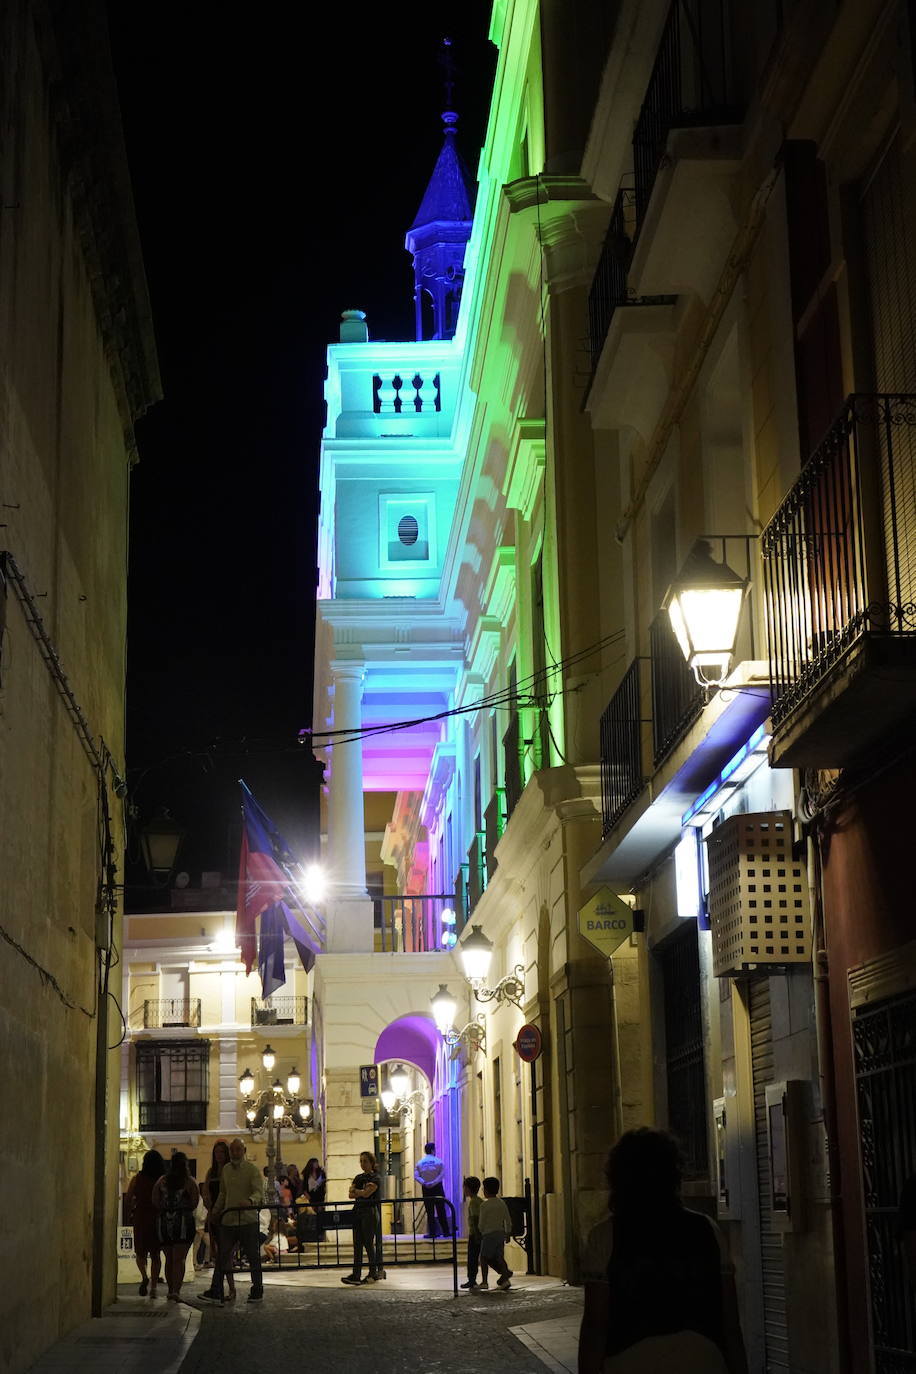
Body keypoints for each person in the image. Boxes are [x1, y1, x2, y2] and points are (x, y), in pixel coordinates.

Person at [578, 1128, 748, 1374]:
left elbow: (596, 1326)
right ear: (673, 1174)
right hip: (702, 1359)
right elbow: (730, 1321)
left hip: (631, 1362)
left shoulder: (605, 1237)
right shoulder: (707, 1229)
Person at [199, 1138, 265, 1306]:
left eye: (238, 1150)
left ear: (244, 1150)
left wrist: (250, 1201)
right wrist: (215, 1212)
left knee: (253, 1256)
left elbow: (259, 1193)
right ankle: (216, 1290)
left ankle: (257, 1290)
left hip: (248, 1220)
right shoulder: (226, 1170)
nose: (235, 1153)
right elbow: (223, 1193)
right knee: (222, 1257)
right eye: (232, 1150)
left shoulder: (252, 1170)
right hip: (228, 1221)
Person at [151, 1151, 200, 1302]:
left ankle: (170, 1289)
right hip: (183, 1223)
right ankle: (176, 1291)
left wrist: (165, 1210)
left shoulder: (162, 1181)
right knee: (179, 1259)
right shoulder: (190, 1182)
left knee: (169, 1258)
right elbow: (194, 1202)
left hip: (164, 1223)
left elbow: (155, 1200)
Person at [125, 1149, 166, 1297]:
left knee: (140, 1252)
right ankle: (154, 1287)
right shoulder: (162, 1179)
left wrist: (131, 1212)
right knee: (156, 1254)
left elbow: (128, 1198)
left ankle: (144, 1277)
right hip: (156, 1218)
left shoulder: (137, 1178)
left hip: (141, 1218)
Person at [341, 1150, 380, 1285]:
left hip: (369, 1212)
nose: (363, 1164)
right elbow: (351, 1194)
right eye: (361, 1161)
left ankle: (372, 1272)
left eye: (365, 1161)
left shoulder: (375, 1178)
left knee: (368, 1243)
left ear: (371, 1163)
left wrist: (359, 1192)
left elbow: (367, 1193)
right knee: (357, 1244)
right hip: (358, 1211)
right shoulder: (358, 1178)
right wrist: (360, 1192)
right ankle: (356, 1274)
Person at [201, 1140, 235, 1299]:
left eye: (222, 1152)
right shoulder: (211, 1172)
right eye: (216, 1153)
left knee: (225, 1253)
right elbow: (206, 1192)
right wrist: (210, 1210)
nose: (219, 1156)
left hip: (227, 1215)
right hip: (214, 1216)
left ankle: (220, 1288)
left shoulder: (229, 1171)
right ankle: (228, 1289)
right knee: (221, 1254)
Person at [478, 1176, 513, 1291]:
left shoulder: (484, 1205)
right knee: (499, 1257)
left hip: (488, 1234)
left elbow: (481, 1222)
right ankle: (505, 1278)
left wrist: (481, 1231)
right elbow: (507, 1219)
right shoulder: (501, 1203)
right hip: (500, 1233)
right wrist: (508, 1233)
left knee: (483, 1258)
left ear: (486, 1190)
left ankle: (484, 1281)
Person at [415, 1141, 450, 1238]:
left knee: (429, 1211)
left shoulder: (420, 1163)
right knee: (441, 1210)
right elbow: (442, 1175)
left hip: (426, 1189)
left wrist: (425, 1183)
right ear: (433, 1150)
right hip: (438, 1187)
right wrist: (434, 1183)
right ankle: (446, 1231)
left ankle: (432, 1232)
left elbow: (416, 1176)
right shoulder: (439, 1161)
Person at [460, 1175, 488, 1291]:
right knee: (477, 1257)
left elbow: (476, 1219)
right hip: (480, 1233)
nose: (464, 1190)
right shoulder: (479, 1201)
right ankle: (472, 1279)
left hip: (475, 1234)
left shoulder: (474, 1203)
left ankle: (471, 1280)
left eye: (465, 1187)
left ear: (469, 1189)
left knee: (472, 1258)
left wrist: (476, 1235)